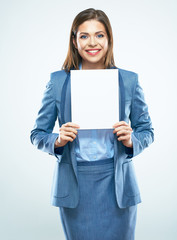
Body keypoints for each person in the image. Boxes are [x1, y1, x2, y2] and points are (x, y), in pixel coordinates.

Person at [30, 8, 154, 240]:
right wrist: (57, 139)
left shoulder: (128, 80)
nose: (92, 42)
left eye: (99, 35)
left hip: (117, 184)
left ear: (108, 39)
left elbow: (147, 131)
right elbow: (37, 134)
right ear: (74, 41)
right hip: (76, 186)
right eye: (84, 36)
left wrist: (131, 140)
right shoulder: (58, 82)